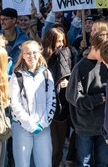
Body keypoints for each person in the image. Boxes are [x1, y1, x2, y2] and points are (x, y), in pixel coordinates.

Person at [66, 31, 108, 167]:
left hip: (105, 126)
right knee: (84, 162)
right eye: (102, 50)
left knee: (102, 162)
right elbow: (74, 97)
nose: (105, 54)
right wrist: (99, 99)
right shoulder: (80, 67)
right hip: (84, 126)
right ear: (93, 47)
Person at [9, 40, 56, 167]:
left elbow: (51, 101)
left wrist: (42, 123)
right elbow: (15, 103)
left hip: (43, 126)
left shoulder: (46, 74)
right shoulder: (17, 76)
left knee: (45, 163)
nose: (31, 56)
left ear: (40, 53)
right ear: (22, 55)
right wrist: (29, 124)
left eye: (34, 52)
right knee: (22, 163)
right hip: (21, 127)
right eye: (28, 53)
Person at [43, 28, 74, 167]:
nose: (61, 44)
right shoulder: (41, 59)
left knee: (59, 147)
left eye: (63, 40)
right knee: (51, 148)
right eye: (58, 41)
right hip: (45, 108)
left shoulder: (67, 55)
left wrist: (68, 81)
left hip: (61, 109)